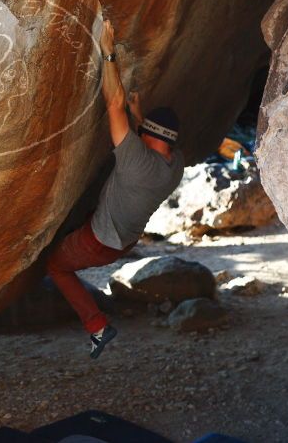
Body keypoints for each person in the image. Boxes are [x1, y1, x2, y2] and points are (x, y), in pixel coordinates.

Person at [47, 20, 184, 359]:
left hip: (99, 242)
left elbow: (114, 103)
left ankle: (97, 325)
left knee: (56, 266)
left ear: (147, 138)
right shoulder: (175, 165)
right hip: (121, 240)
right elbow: (149, 139)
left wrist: (108, 51)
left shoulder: (136, 160)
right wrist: (141, 118)